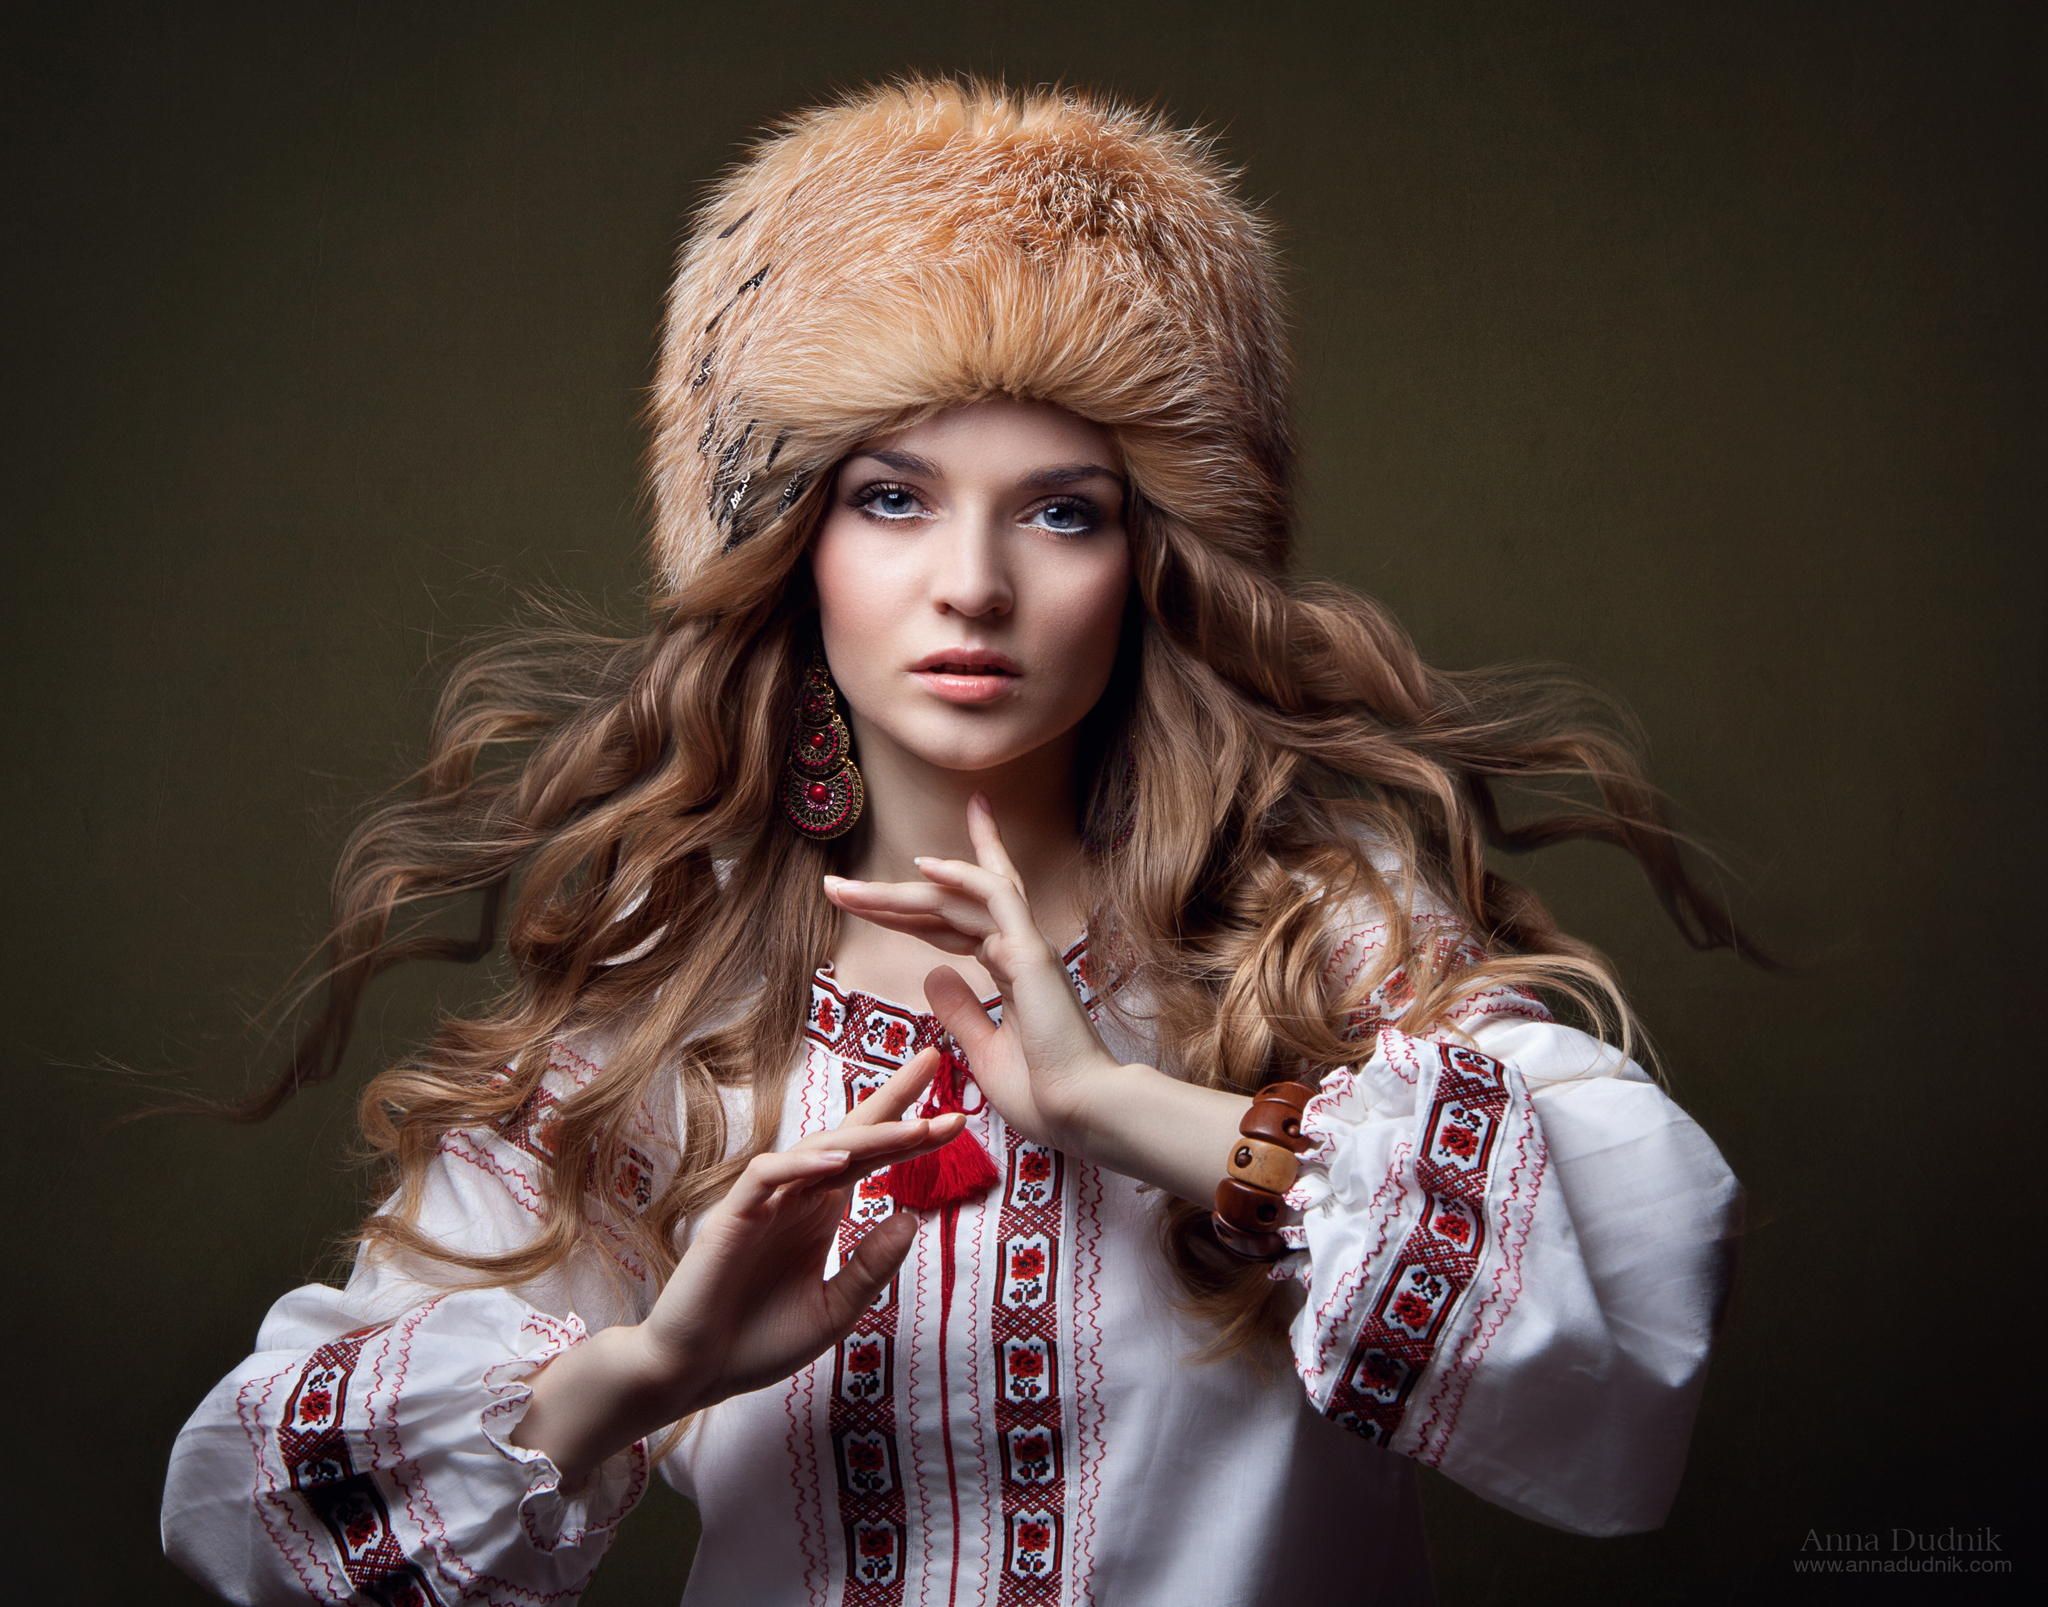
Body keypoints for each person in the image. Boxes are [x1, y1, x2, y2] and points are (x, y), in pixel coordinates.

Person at [159, 71, 1757, 1606]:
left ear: (1151, 561)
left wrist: (1129, 1111)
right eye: (893, 498)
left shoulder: (1324, 940)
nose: (975, 583)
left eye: (1064, 509)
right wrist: (653, 1370)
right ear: (793, 547)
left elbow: (1633, 1334)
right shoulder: (672, 1012)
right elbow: (249, 1514)